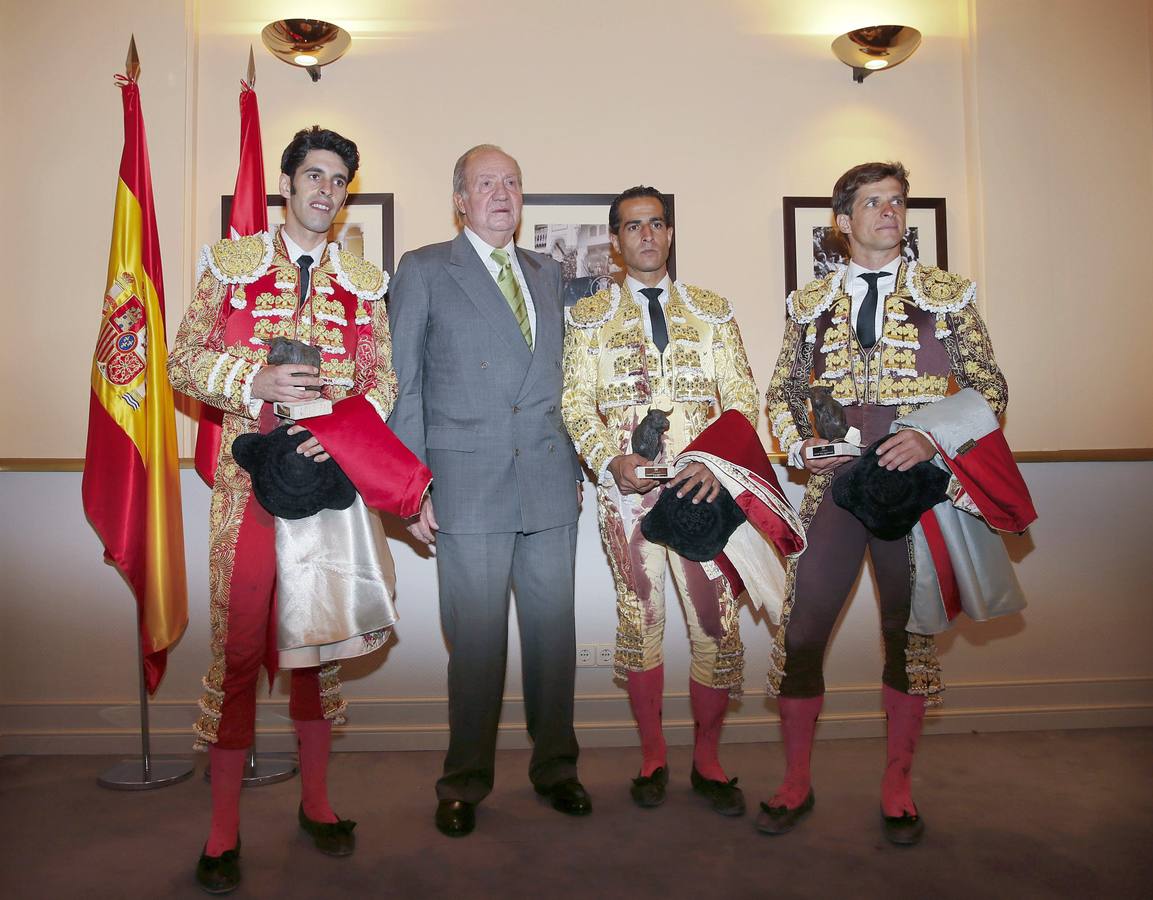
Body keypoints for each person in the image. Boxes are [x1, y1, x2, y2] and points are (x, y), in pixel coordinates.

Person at [169, 127, 400, 892]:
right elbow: (181, 360)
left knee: (316, 652)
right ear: (287, 183)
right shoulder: (230, 265)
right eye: (314, 176)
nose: (325, 190)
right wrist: (252, 382)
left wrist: (338, 430)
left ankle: (317, 804)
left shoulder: (364, 284)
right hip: (248, 495)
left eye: (338, 180)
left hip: (325, 493)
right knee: (237, 652)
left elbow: (382, 383)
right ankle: (222, 830)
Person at [761, 161, 1009, 844]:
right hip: (836, 489)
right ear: (843, 221)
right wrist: (800, 446)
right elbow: (782, 394)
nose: (888, 212)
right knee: (802, 631)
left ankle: (897, 784)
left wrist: (930, 437)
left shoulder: (947, 297)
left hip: (914, 490)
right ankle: (795, 779)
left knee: (908, 634)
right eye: (873, 202)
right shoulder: (809, 303)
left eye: (896, 201)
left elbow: (989, 388)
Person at [387, 144, 589, 838]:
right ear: (460, 200)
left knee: (553, 640)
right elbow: (405, 387)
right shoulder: (424, 269)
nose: (501, 194)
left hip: (548, 482)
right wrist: (411, 487)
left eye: (511, 183)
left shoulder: (548, 272)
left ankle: (556, 769)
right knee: (475, 645)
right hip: (466, 485)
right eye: (485, 184)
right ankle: (464, 781)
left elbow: (564, 381)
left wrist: (574, 468)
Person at [561, 186, 759, 815]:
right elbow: (574, 403)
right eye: (632, 226)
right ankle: (652, 758)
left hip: (704, 489)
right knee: (640, 623)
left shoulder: (712, 311)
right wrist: (609, 460)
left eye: (655, 224)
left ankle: (707, 761)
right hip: (629, 498)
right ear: (616, 243)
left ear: (669, 233)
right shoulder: (588, 318)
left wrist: (713, 462)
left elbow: (742, 398)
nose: (645, 235)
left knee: (716, 625)